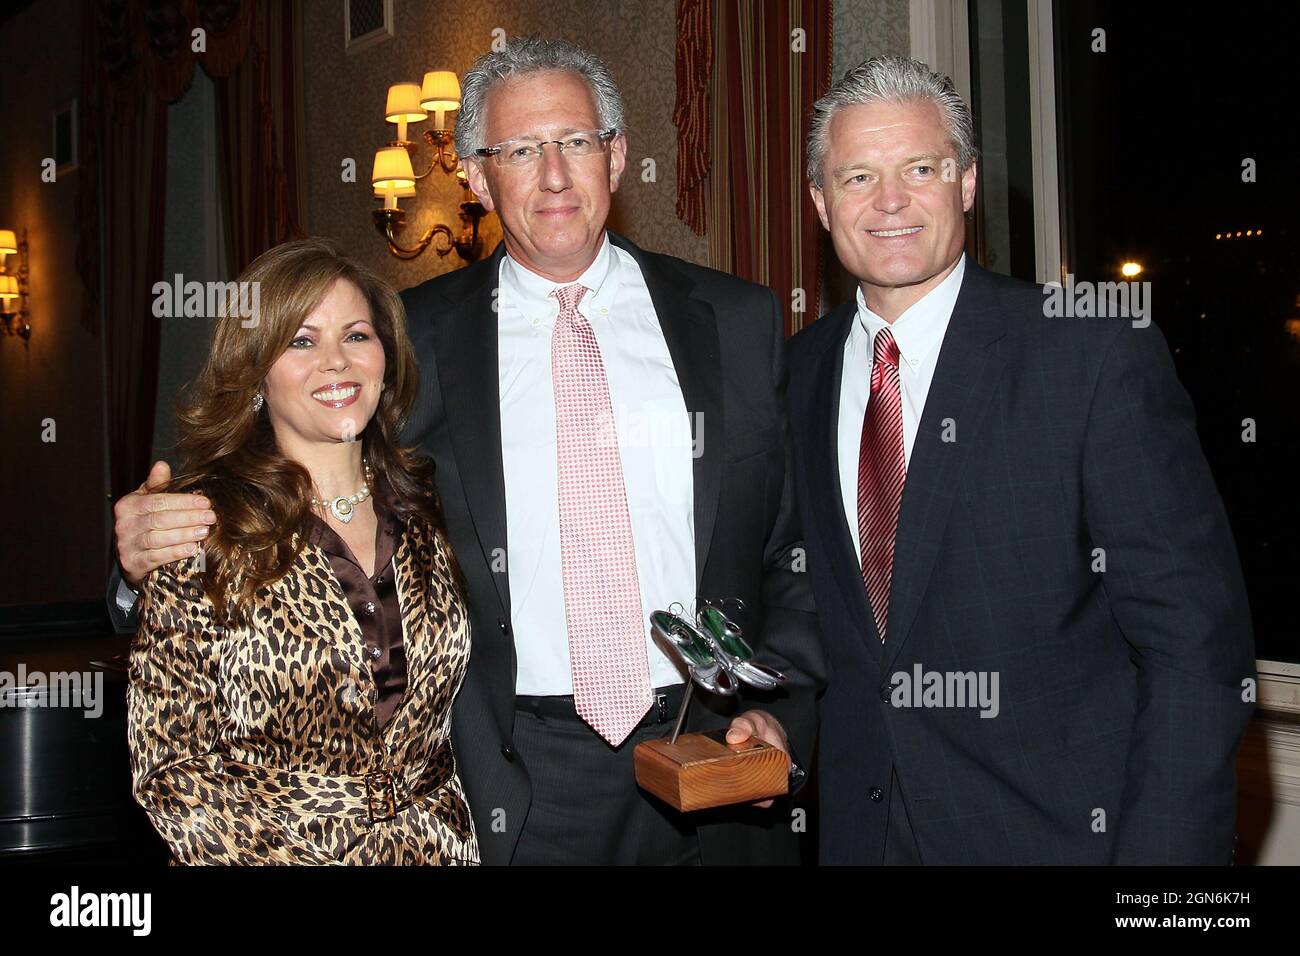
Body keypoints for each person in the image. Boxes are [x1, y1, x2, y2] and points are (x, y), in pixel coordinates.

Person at [110, 37, 824, 865]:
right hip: (515, 786)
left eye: (577, 142)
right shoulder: (406, 340)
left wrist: (782, 712)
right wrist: (144, 562)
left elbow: (791, 554)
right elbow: (282, 458)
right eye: (521, 150)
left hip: (714, 766)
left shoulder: (736, 322)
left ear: (619, 156)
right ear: (478, 179)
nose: (554, 175)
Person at [787, 55, 1256, 864]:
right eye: (858, 175)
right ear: (822, 203)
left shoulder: (1090, 353)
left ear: (966, 183)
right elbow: (802, 608)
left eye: (920, 169)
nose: (890, 200)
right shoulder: (793, 373)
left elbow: (1195, 652)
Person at [126, 238, 478, 865]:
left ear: (386, 358)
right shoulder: (203, 526)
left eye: (357, 336)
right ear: (256, 369)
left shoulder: (431, 507)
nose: (336, 363)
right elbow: (172, 768)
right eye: (302, 341)